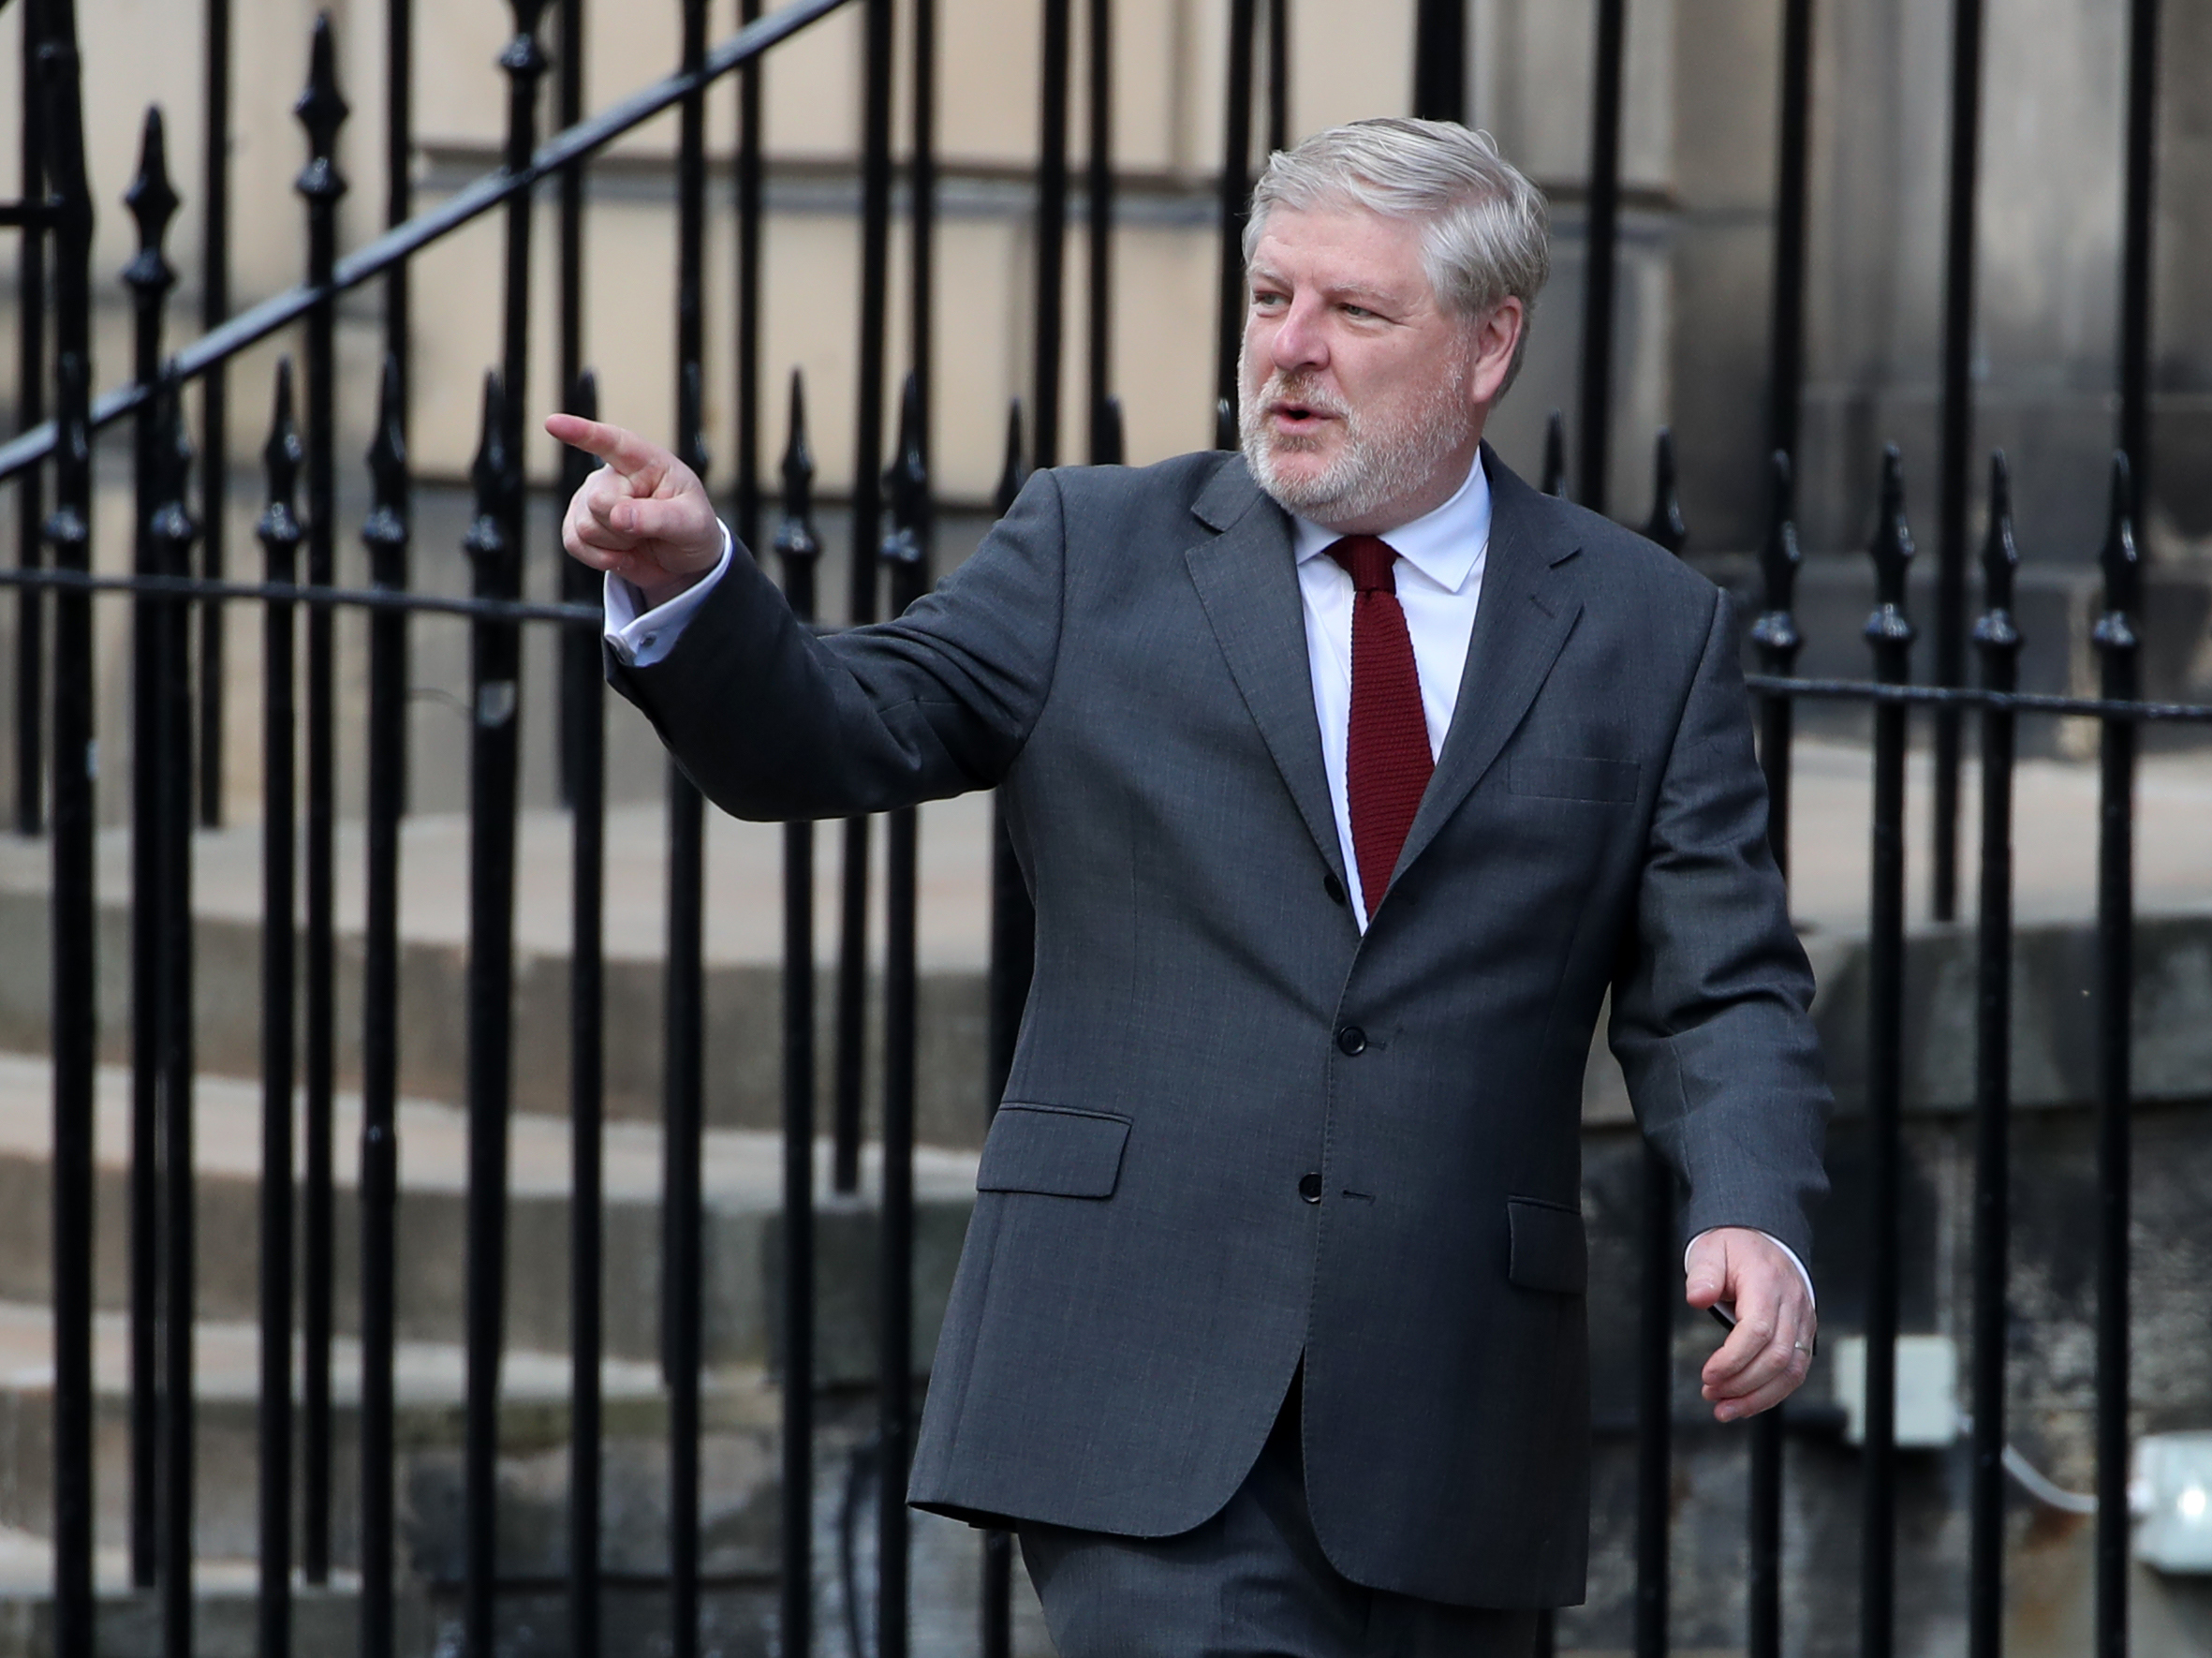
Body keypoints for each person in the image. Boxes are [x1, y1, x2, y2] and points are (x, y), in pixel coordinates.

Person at [550, 117, 1828, 1658]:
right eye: (1269, 298)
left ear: (1489, 345)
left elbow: (1721, 985)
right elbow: (831, 727)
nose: (1291, 349)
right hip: (1132, 1383)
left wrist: (1752, 1209)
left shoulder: (1642, 625)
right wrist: (693, 585)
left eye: (1353, 313)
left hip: (1452, 1411)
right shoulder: (1093, 549)